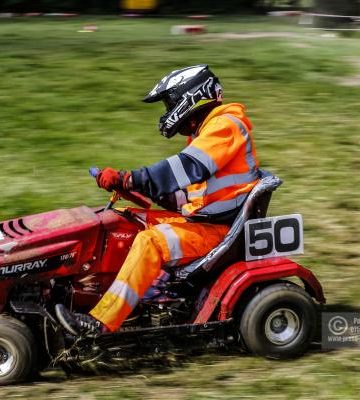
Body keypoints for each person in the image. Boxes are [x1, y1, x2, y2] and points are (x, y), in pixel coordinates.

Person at [56, 64, 260, 335]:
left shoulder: (225, 126)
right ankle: (98, 295)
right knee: (123, 223)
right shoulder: (206, 132)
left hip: (218, 231)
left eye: (169, 103)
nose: (167, 111)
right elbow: (193, 193)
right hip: (203, 220)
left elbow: (186, 168)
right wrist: (147, 192)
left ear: (190, 96)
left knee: (150, 242)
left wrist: (130, 178)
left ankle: (100, 323)